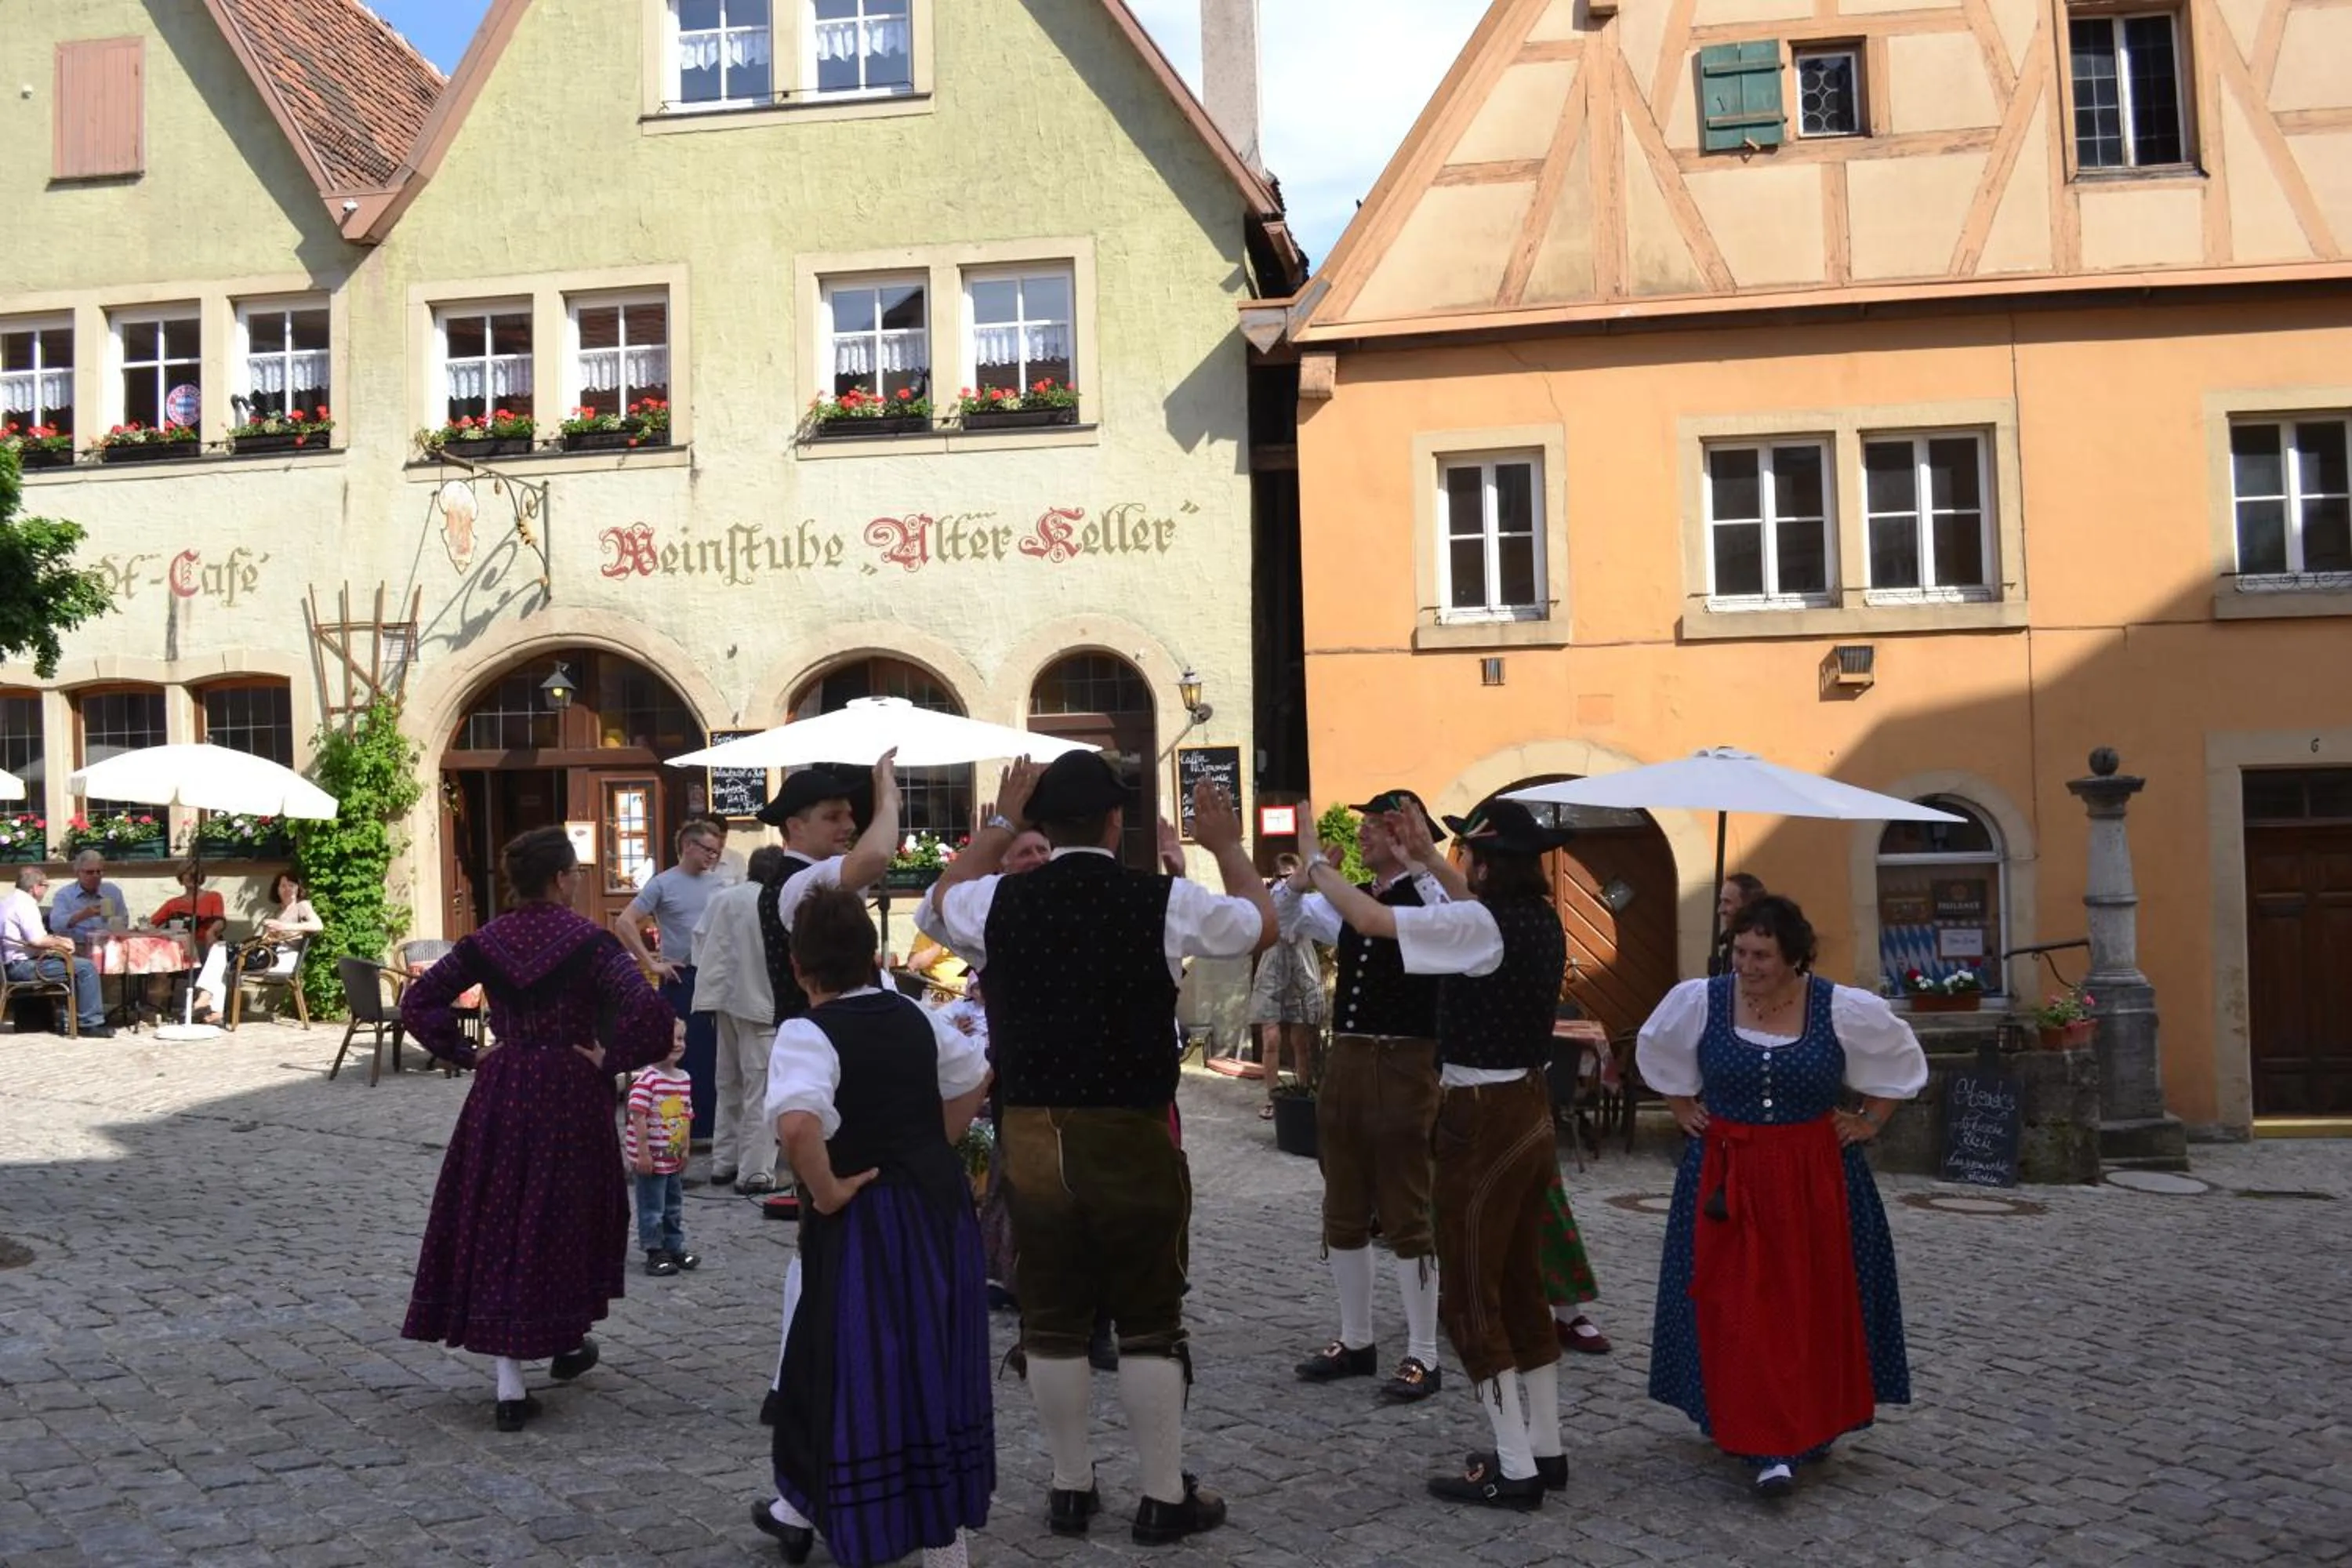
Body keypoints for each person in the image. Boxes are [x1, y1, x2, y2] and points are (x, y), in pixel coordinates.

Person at [917, 752, 1273, 1545]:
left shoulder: (996, 900)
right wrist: (1224, 843)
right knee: (1149, 1316)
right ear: (1117, 822)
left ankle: (1070, 1486)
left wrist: (1000, 823)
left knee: (1051, 1318)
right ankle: (1159, 1494)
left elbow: (936, 904)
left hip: (1034, 1131)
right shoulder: (1163, 899)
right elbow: (1263, 922)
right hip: (1131, 1131)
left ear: (1045, 823)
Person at [1299, 796, 1573, 1510]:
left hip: (1481, 1117)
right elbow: (1464, 916)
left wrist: (1314, 869)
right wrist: (1421, 859)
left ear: (1485, 864)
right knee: (1520, 1286)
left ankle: (1514, 1468)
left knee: (1472, 1297)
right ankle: (1545, 1447)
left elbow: (1369, 920)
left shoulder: (1483, 923)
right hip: (1530, 1107)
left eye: (1469, 859)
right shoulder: (1538, 919)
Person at [1638, 894, 1925, 1500]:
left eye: (1762, 954)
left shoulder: (1840, 1007)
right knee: (1735, 1305)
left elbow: (1899, 1064)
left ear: (1794, 957)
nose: (1747, 964)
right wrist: (1683, 1107)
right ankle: (1757, 1435)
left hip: (1815, 1177)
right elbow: (1659, 1053)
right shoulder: (1702, 1000)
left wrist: (1870, 1122)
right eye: (1740, 951)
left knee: (1809, 1305)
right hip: (1725, 1176)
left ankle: (1803, 1427)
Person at [399, 826, 680, 1432]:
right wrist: (612, 1058)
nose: (578, 881)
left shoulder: (486, 941)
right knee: (562, 1216)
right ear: (559, 879)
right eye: (575, 872)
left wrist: (467, 1055)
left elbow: (419, 1001)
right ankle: (559, 1339)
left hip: (502, 1088)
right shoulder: (592, 944)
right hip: (570, 1092)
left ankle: (517, 1374)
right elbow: (650, 1012)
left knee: (504, 1215)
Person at [752, 887, 994, 1568]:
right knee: (936, 1357)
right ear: (870, 958)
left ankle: (873, 1522)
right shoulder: (919, 1016)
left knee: (861, 1366)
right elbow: (978, 1075)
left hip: (868, 1224)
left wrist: (825, 1191)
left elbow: (798, 1123)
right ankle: (936, 1536)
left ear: (799, 967)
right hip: (938, 1213)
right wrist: (930, 1143)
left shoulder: (808, 1031)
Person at [1280, 789, 1450, 1404]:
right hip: (1349, 1059)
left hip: (1405, 1060)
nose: (1364, 836)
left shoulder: (1429, 896)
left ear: (1408, 833)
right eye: (1368, 826)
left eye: (1379, 826)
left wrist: (1422, 860)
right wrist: (1301, 882)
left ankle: (1424, 1354)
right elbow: (1292, 920)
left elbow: (1445, 915)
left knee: (1407, 1211)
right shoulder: (1358, 902)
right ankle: (1357, 1341)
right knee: (1342, 1206)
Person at [752, 753, 905, 1421]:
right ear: (795, 825)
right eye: (833, 816)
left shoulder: (803, 881)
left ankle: (795, 1376)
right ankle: (795, 1380)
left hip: (831, 1055)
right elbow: (876, 857)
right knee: (823, 1228)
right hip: (824, 1062)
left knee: (824, 1236)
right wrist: (887, 791)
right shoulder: (795, 884)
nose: (847, 825)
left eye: (849, 813)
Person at [614, 822, 727, 1145]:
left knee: (715, 1053)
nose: (712, 856)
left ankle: (711, 1127)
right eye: (708, 849)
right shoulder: (663, 883)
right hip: (682, 976)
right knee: (680, 1051)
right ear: (689, 846)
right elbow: (624, 922)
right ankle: (679, 1127)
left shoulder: (719, 884)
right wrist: (651, 963)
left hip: (715, 976)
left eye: (716, 852)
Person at [692, 844, 789, 1196]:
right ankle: (754, 1171)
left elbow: (700, 942)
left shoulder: (723, 898)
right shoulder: (774, 900)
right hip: (760, 1000)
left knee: (728, 1082)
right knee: (759, 1088)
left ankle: (724, 1160)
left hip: (724, 998)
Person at [1248, 851, 1325, 1120]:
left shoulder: (1307, 899)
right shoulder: (1270, 897)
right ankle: (1272, 1098)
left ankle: (1304, 1092)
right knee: (1270, 1037)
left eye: (1291, 877)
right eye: (1281, 877)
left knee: (1301, 1040)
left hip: (1301, 962)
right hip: (1273, 961)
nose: (1286, 882)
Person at [2, 866, 113, 1037]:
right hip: (23, 967)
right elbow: (37, 940)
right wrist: (62, 942)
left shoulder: (8, 901)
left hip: (11, 964)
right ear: (35, 888)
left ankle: (72, 1017)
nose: (46, 890)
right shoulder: (25, 905)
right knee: (86, 968)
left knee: (73, 963)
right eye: (45, 886)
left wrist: (55, 942)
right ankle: (89, 1024)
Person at [624, 1028, 698, 1276]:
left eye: (680, 1038)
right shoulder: (647, 1080)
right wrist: (643, 1153)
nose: (677, 1044)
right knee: (652, 1206)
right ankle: (654, 1251)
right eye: (670, 1039)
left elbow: (686, 1115)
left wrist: (685, 1148)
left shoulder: (684, 1078)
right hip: (652, 1159)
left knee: (673, 1205)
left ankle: (674, 1246)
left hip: (672, 1156)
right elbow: (638, 1117)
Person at [46, 850, 127, 939]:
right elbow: (55, 925)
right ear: (77, 873)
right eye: (90, 872)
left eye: (99, 872)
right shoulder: (64, 895)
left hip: (109, 945)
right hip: (77, 947)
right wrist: (81, 916)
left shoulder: (112, 892)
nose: (95, 876)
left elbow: (124, 921)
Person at [1708, 873, 1766, 978]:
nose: (1720, 910)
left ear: (1748, 906)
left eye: (1727, 902)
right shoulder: (1729, 941)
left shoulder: (1767, 945)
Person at [150, 862, 225, 927]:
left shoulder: (214, 897)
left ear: (201, 878)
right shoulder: (173, 904)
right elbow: (151, 923)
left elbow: (219, 921)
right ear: (181, 879)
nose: (191, 876)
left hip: (206, 942)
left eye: (195, 873)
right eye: (187, 873)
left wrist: (211, 932)